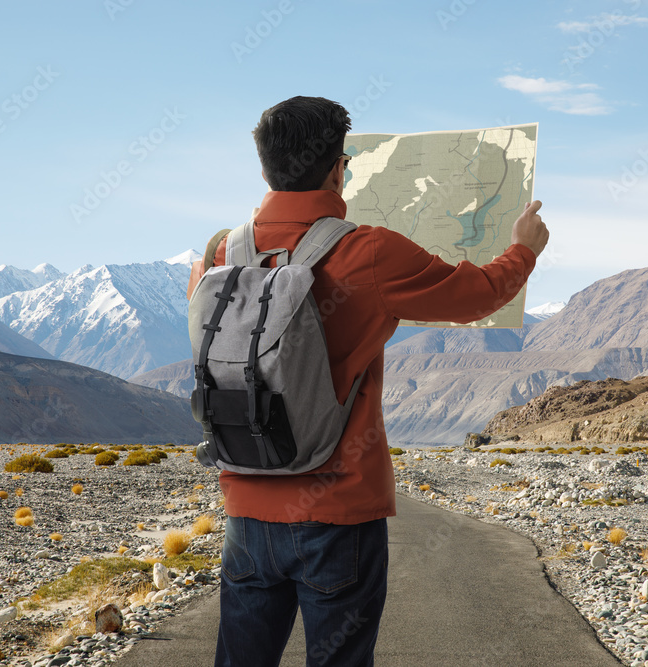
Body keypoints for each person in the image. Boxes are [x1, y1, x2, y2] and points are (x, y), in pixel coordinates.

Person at [186, 96, 548, 667]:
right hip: (339, 511)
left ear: (264, 168)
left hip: (246, 502)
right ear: (338, 167)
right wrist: (523, 251)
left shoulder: (217, 255)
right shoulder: (369, 251)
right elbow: (476, 295)